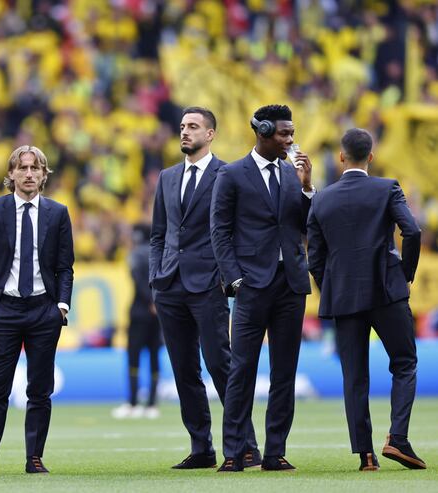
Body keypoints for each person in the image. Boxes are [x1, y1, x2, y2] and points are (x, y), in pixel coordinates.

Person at [307, 128, 425, 472]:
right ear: (370, 157)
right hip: (387, 290)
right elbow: (413, 231)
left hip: (344, 295)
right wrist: (405, 272)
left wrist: (330, 284)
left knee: (354, 375)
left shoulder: (322, 199)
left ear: (341, 158)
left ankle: (366, 455)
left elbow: (314, 255)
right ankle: (398, 439)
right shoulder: (386, 188)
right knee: (404, 363)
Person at [150, 107, 260, 470]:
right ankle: (202, 447)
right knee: (184, 370)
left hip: (208, 284)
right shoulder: (167, 177)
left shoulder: (226, 174)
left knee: (220, 364)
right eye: (182, 126)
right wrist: (156, 275)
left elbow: (235, 230)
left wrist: (224, 275)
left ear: (210, 134)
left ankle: (246, 445)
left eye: (193, 127)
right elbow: (159, 234)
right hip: (169, 285)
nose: (185, 132)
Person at [0, 145, 74, 476]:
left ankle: (34, 457)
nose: (29, 173)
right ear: (10, 174)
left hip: (43, 310)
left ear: (44, 174)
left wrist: (62, 305)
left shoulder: (58, 212)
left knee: (39, 389)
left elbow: (65, 266)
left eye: (35, 168)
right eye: (22, 168)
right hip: (5, 309)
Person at [210, 104, 315, 472]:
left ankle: (275, 452)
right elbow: (219, 231)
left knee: (284, 372)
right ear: (263, 131)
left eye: (292, 133)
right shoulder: (232, 174)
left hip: (290, 285)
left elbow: (305, 225)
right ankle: (234, 453)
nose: (291, 140)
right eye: (284, 134)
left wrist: (306, 189)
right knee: (242, 371)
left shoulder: (291, 175)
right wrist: (234, 278)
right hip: (251, 285)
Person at [112, 223, 162, 420]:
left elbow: (138, 280)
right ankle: (152, 404)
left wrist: (149, 301)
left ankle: (132, 403)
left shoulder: (135, 255)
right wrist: (157, 301)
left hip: (139, 312)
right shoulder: (160, 253)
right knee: (154, 356)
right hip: (158, 312)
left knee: (134, 356)